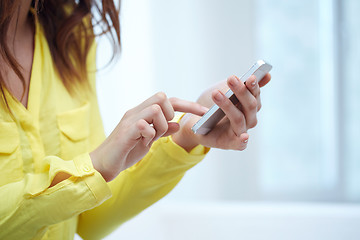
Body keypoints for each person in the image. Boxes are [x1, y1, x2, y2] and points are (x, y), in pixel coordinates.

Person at [0, 0, 271, 239]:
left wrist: (185, 135)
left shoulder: (70, 35)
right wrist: (93, 167)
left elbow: (91, 218)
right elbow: (88, 175)